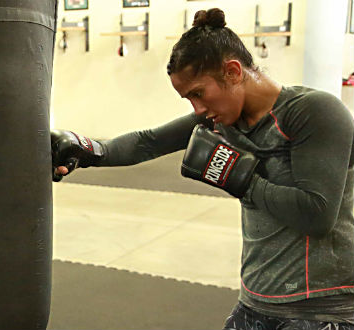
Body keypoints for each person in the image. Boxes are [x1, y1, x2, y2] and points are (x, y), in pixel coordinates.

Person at [52, 8, 354, 330]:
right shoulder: (223, 119)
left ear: (233, 71)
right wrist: (86, 149)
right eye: (189, 99)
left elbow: (317, 214)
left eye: (199, 93)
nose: (198, 109)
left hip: (321, 310)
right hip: (256, 299)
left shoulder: (313, 112)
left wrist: (240, 180)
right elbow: (148, 142)